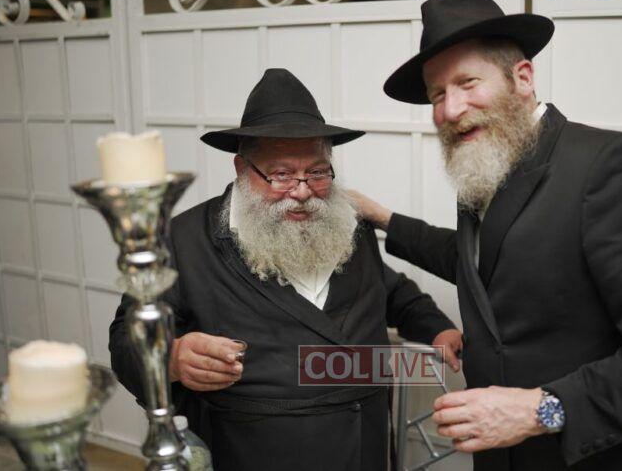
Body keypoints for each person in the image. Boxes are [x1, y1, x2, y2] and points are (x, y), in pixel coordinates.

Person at [350, 0, 622, 470]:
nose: (450, 109)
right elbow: (482, 262)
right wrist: (383, 217)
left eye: (467, 82)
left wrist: (539, 410)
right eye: (437, 94)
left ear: (522, 77)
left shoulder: (610, 166)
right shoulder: (486, 167)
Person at [108, 68, 462, 471]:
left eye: (317, 171)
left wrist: (436, 327)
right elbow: (125, 341)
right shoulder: (184, 240)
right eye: (281, 175)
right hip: (253, 455)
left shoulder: (344, 222)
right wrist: (171, 358)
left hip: (364, 447)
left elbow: (389, 289)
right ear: (242, 169)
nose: (302, 191)